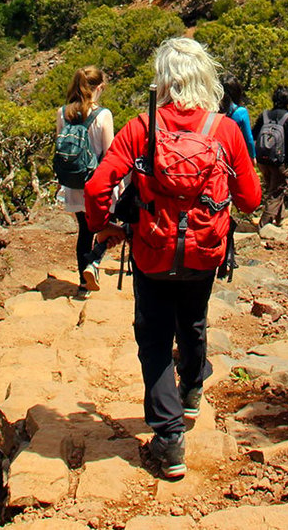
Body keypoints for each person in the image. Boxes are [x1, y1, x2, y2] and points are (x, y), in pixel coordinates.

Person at [84, 38, 261, 480]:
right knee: (194, 320)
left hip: (152, 249)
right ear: (206, 77)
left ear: (162, 79)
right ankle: (193, 389)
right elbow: (252, 199)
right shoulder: (225, 131)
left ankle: (168, 439)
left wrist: (103, 226)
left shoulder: (141, 127)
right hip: (204, 252)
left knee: (154, 337)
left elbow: (95, 189)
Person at [56, 65, 115, 295]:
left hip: (72, 182)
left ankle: (83, 282)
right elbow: (110, 153)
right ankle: (94, 261)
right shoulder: (103, 115)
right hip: (96, 182)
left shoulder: (63, 113)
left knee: (84, 229)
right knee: (105, 225)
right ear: (99, 88)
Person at [251, 85, 288, 228]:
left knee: (274, 189)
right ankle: (264, 224)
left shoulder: (265, 115)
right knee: (276, 193)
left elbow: (253, 135)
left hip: (263, 160)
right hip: (281, 162)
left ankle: (280, 217)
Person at [220, 76, 255, 159]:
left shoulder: (214, 109)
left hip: (217, 152)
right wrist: (253, 156)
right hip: (233, 154)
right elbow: (249, 138)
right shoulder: (241, 112)